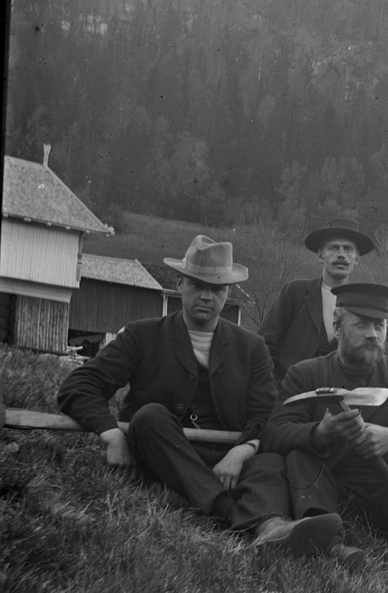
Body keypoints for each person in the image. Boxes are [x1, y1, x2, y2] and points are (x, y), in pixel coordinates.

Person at [57, 235, 344, 559]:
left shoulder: (251, 346)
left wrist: (240, 453)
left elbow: (265, 414)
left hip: (226, 457)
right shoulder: (143, 334)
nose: (207, 296)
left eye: (217, 288)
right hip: (164, 451)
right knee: (150, 416)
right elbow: (79, 385)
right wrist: (110, 433)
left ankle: (272, 528)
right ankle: (232, 513)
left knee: (270, 460)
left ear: (227, 293)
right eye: (198, 285)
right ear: (180, 283)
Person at [263, 283, 388, 587]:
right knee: (298, 452)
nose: (373, 334)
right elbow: (274, 433)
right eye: (361, 325)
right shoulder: (306, 373)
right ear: (337, 326)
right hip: (329, 491)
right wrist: (319, 432)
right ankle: (326, 541)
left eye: (380, 325)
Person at [256, 218, 387, 384]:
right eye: (333, 248)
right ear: (320, 255)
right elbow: (264, 346)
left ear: (357, 259)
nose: (341, 254)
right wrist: (274, 392)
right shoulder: (295, 293)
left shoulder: (367, 301)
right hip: (291, 394)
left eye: (348, 249)